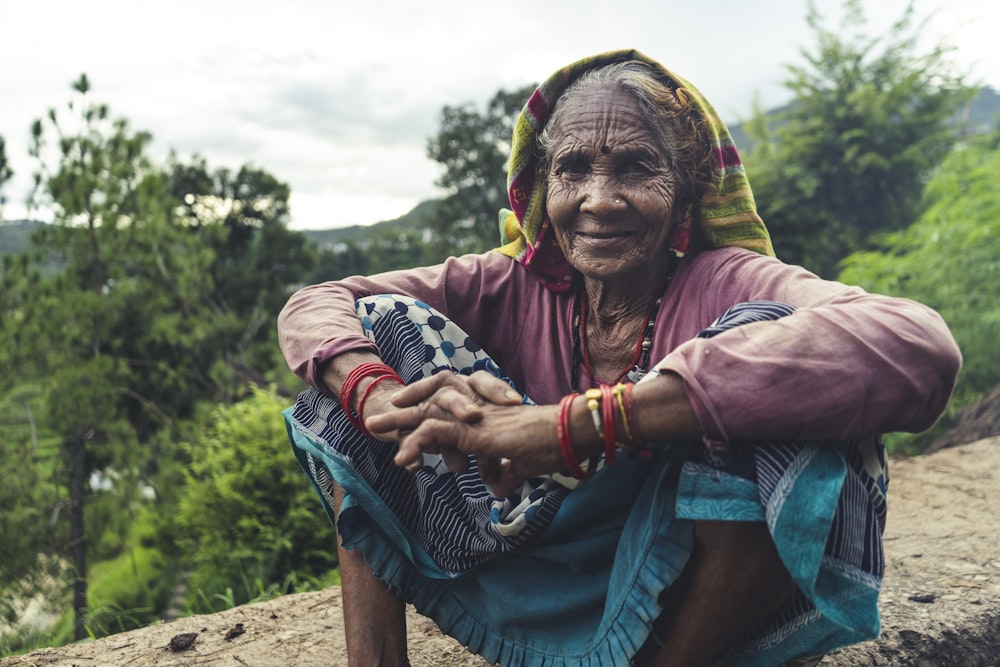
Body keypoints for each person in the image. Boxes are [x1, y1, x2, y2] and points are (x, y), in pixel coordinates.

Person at [277, 50, 961, 667]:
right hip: (528, 557)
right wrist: (375, 394)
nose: (599, 201)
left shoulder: (724, 280)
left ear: (686, 190)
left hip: (679, 585)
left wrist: (573, 424)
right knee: (374, 334)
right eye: (573, 170)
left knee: (777, 362)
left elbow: (918, 345)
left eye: (636, 167)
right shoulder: (511, 282)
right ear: (544, 190)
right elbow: (319, 303)